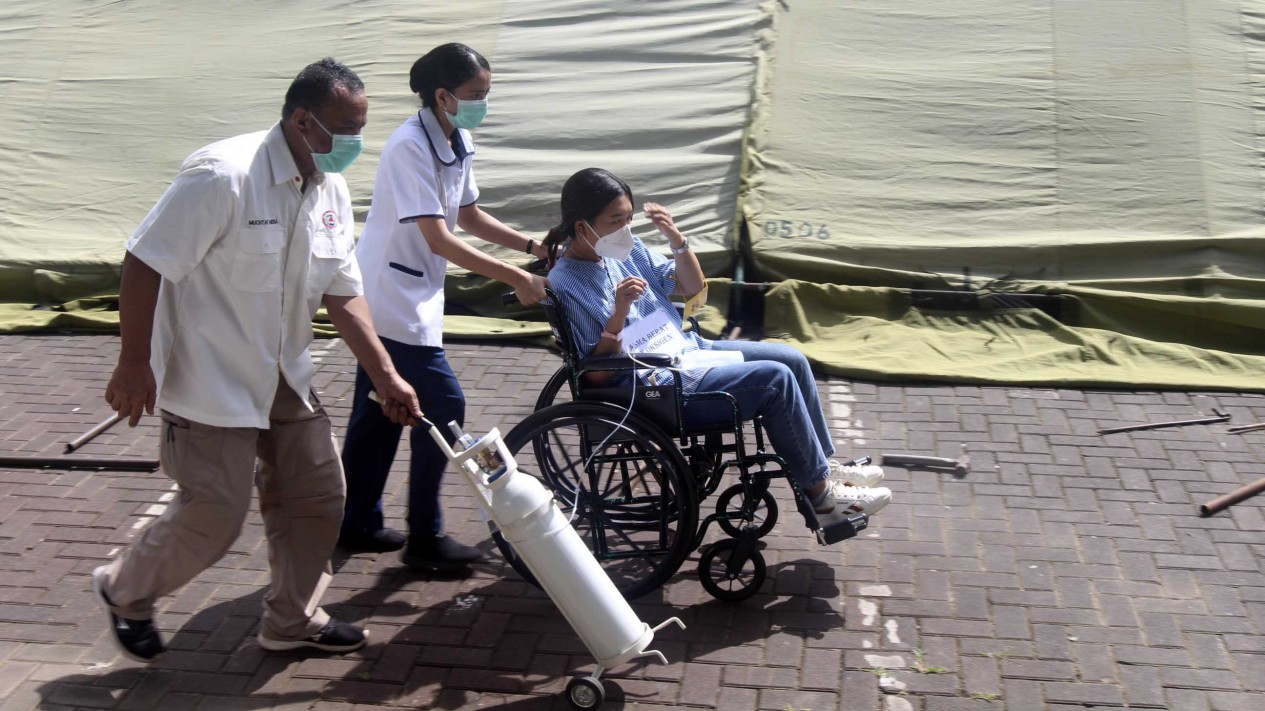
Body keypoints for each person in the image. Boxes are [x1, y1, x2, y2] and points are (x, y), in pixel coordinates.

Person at [94, 58, 424, 663]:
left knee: (318, 496)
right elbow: (144, 262)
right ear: (302, 121)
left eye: (362, 128)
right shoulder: (222, 176)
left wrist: (385, 374)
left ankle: (292, 620)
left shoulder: (330, 186)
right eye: (346, 130)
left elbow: (342, 290)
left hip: (284, 374)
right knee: (215, 515)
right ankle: (125, 590)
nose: (355, 144)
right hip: (207, 377)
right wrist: (132, 365)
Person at [542, 168, 893, 532]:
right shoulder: (565, 282)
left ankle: (819, 464)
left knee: (793, 360)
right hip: (653, 384)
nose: (626, 228)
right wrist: (617, 313)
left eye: (629, 218)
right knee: (774, 379)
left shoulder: (626, 250)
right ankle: (821, 496)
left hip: (684, 351)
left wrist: (677, 242)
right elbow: (596, 373)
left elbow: (692, 289)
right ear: (583, 227)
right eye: (616, 220)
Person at [337, 43, 548, 569]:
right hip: (389, 294)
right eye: (476, 95)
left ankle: (354, 521)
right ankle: (425, 538)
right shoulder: (410, 146)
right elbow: (439, 238)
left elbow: (469, 216)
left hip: (413, 292)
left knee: (379, 411)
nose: (483, 103)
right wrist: (517, 277)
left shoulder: (458, 136)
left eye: (486, 93)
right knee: (443, 406)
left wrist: (533, 246)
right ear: (442, 95)